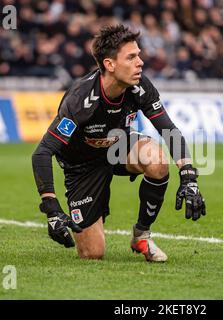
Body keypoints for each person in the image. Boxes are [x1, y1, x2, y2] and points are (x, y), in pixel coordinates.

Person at [31, 24, 206, 262]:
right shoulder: (80, 100)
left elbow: (168, 130)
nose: (140, 62)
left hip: (117, 147)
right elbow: (42, 153)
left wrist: (189, 176)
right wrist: (51, 208)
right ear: (109, 64)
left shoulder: (140, 86)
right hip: (82, 166)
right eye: (131, 57)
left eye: (139, 55)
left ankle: (141, 235)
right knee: (93, 253)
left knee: (156, 158)